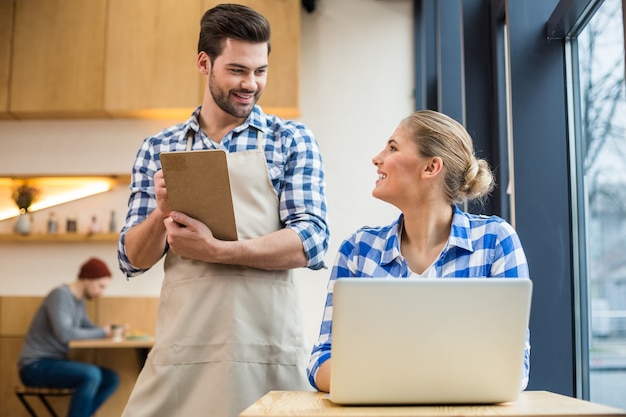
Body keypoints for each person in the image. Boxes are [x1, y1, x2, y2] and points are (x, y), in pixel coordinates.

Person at [117, 3, 329, 417]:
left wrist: (220, 251)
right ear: (204, 63)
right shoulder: (158, 148)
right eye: (237, 70)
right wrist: (162, 213)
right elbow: (132, 259)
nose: (251, 83)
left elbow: (312, 241)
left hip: (264, 345)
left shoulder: (291, 140)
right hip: (184, 349)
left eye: (260, 71)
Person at [307, 109, 531, 393]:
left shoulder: (495, 242)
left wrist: (378, 376)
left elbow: (513, 369)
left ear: (430, 168)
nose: (377, 158)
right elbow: (321, 361)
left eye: (392, 147)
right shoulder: (358, 250)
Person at [17, 257, 120, 417]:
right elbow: (65, 334)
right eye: (100, 286)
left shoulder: (78, 301)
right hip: (34, 365)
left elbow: (88, 327)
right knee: (91, 375)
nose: (102, 292)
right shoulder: (60, 295)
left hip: (55, 362)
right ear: (87, 279)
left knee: (111, 379)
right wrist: (104, 332)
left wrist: (112, 331)